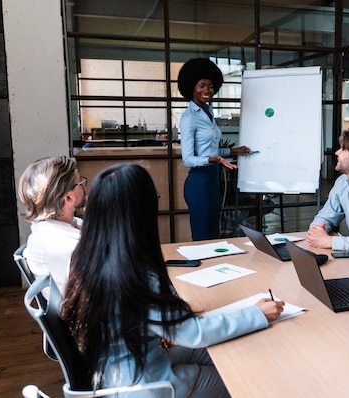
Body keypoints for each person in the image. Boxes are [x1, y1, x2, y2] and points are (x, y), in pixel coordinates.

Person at [61, 163, 285, 398]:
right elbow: (191, 333)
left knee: (227, 351)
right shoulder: (131, 273)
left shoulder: (87, 256)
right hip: (146, 385)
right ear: (140, 213)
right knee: (243, 375)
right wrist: (256, 314)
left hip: (123, 369)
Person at [177, 58, 251, 240]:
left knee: (213, 234)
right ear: (191, 86)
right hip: (198, 184)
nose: (207, 91)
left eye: (210, 86)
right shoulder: (188, 118)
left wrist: (234, 151)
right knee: (202, 237)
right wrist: (214, 159)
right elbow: (187, 159)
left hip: (213, 183)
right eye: (202, 85)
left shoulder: (208, 112)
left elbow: (211, 149)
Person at [17, 155, 86, 294]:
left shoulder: (68, 225)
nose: (84, 185)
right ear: (68, 197)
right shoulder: (60, 243)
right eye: (81, 183)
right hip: (92, 311)